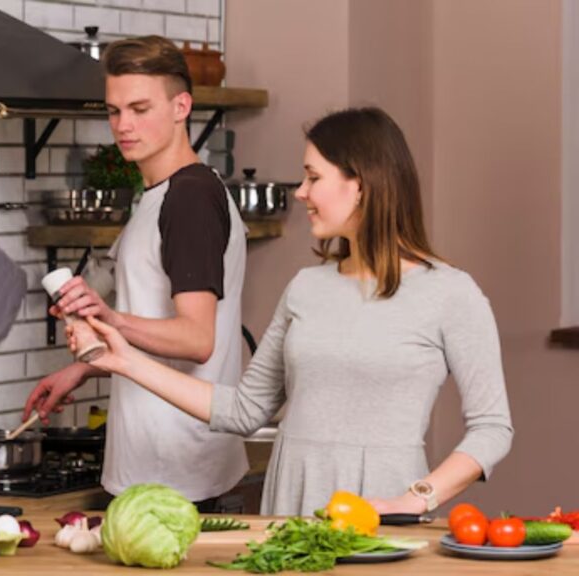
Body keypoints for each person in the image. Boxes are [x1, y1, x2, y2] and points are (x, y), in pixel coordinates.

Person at [74, 107, 514, 516]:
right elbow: (245, 409)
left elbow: (493, 428)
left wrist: (416, 499)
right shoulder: (306, 287)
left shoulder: (451, 294)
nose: (301, 192)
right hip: (291, 507)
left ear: (360, 184)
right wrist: (123, 361)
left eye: (312, 177)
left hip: (384, 513)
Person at [22, 36, 250, 508]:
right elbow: (150, 313)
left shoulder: (189, 200)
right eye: (114, 111)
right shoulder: (160, 196)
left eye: (140, 108)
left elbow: (195, 337)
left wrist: (111, 318)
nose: (123, 126)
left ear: (181, 105)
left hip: (177, 470)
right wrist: (81, 369)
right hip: (159, 463)